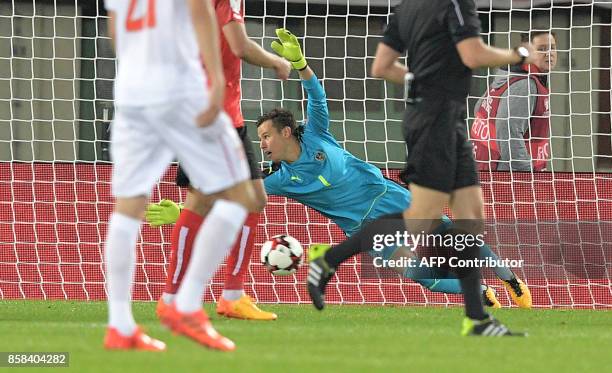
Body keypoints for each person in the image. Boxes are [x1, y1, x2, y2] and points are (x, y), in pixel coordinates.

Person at [148, 28, 532, 309]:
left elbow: (316, 95)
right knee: (420, 275)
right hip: (364, 229)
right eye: (259, 139)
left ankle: (510, 279)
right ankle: (479, 290)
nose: (261, 144)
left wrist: (300, 64)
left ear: (285, 132)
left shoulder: (316, 134)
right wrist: (185, 213)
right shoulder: (279, 179)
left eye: (265, 136)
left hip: (390, 198)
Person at [307, 0, 537, 337]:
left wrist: (420, 82)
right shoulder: (456, 3)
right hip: (436, 122)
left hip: (442, 119)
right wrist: (518, 55)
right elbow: (472, 55)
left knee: (469, 217)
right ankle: (329, 260)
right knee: (422, 219)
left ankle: (477, 320)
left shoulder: (406, 9)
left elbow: (382, 66)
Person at [103, 0, 257, 351]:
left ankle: (121, 325)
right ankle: (186, 306)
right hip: (180, 90)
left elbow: (115, 28)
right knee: (241, 197)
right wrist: (217, 78)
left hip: (130, 95)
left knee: (128, 206)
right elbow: (200, 9)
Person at [149, 0, 291, 322]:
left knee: (253, 200)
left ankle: (230, 296)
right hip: (214, 113)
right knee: (201, 202)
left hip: (213, 111)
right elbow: (239, 45)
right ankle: (176, 297)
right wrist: (276, 63)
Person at [471, 31, 557, 171]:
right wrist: (527, 170)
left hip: (483, 165)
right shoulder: (525, 85)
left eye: (552, 47)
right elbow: (508, 131)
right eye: (541, 49)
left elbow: (478, 108)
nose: (549, 53)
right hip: (508, 176)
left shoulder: (506, 75)